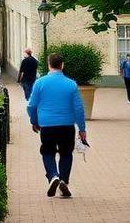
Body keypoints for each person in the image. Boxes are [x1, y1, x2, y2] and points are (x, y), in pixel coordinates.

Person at [28, 52, 87, 198]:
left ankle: (53, 176)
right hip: (67, 125)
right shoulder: (71, 84)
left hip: (47, 125)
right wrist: (82, 129)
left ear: (49, 64)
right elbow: (79, 108)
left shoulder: (40, 83)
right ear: (62, 65)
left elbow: (31, 106)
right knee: (66, 153)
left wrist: (34, 121)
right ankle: (64, 181)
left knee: (47, 152)